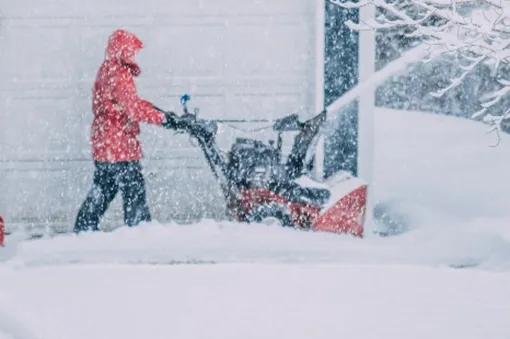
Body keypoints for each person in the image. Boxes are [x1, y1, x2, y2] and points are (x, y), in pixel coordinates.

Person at [74, 29, 177, 233]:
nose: (133, 56)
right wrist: (163, 119)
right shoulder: (119, 74)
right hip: (118, 143)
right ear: (123, 50)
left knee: (104, 187)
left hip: (105, 142)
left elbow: (129, 103)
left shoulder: (107, 69)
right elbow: (133, 108)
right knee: (133, 189)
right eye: (131, 51)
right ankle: (139, 231)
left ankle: (84, 227)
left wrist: (158, 111)